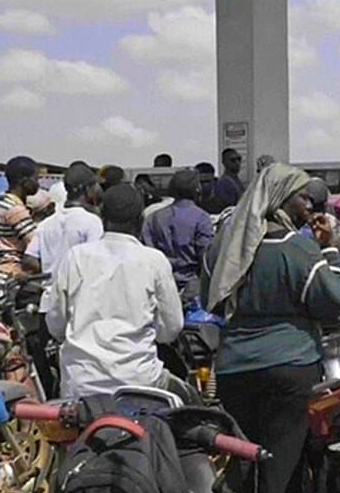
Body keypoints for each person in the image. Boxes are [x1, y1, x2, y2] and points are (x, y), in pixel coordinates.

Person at [202, 163, 340, 493]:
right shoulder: (297, 247)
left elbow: (209, 300)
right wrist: (330, 251)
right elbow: (334, 302)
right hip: (292, 367)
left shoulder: (225, 246)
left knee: (247, 460)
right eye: (301, 197)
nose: (308, 205)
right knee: (281, 466)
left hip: (235, 368)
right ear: (281, 199)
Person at [46, 183, 185, 398]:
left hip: (81, 384)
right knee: (188, 400)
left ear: (102, 217)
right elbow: (171, 329)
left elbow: (56, 323)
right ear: (140, 221)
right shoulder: (154, 261)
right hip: (140, 381)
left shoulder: (76, 257)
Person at [143, 168, 214, 301]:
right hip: (192, 287)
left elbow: (148, 254)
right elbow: (205, 258)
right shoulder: (202, 218)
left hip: (159, 285)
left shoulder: (153, 218)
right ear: (197, 190)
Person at [24, 163, 103, 276]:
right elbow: (95, 261)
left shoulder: (46, 223)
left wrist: (52, 268)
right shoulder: (92, 222)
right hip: (76, 291)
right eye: (95, 185)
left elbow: (29, 259)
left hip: (49, 291)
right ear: (87, 189)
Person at [0, 155, 39, 273]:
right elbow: (36, 245)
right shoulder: (16, 210)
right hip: (11, 275)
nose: (38, 183)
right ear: (25, 181)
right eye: (36, 178)